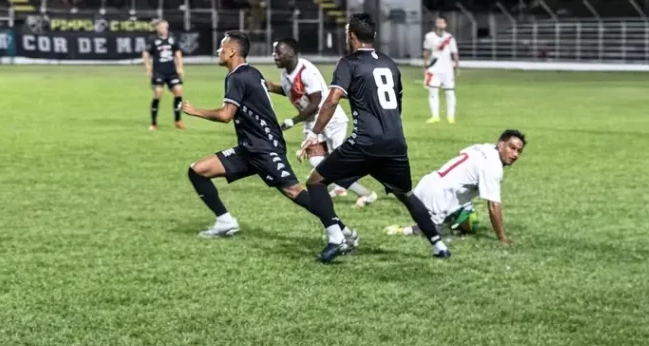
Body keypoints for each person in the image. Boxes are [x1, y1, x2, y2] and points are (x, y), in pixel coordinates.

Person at [180, 31, 359, 251]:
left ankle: (343, 231)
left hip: (265, 148)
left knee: (294, 191)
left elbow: (226, 115)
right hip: (248, 149)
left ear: (232, 51)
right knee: (197, 170)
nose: (219, 50)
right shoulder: (250, 73)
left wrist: (194, 111)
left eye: (222, 46)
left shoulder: (238, 76)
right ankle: (225, 221)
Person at [301, 13, 451, 263]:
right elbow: (396, 106)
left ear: (351, 36)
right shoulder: (390, 64)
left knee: (315, 182)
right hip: (394, 143)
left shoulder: (348, 63)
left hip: (364, 143)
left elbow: (332, 100)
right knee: (406, 195)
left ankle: (337, 238)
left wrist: (314, 134)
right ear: (375, 36)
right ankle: (439, 245)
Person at [265, 37, 378, 208]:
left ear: (291, 53)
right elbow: (294, 93)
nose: (275, 56)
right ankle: (341, 187)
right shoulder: (286, 74)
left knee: (335, 165)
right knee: (317, 161)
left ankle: (367, 193)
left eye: (278, 53)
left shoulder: (305, 70)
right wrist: (273, 87)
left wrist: (293, 120)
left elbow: (316, 102)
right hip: (313, 122)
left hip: (330, 119)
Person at [384, 130, 526, 244]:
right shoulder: (493, 167)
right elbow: (493, 206)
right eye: (512, 148)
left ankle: (448, 219)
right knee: (432, 232)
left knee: (470, 223)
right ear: (501, 144)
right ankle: (402, 231)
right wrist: (502, 238)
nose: (515, 154)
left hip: (429, 182)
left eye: (519, 151)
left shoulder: (485, 148)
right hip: (438, 196)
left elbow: (461, 153)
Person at [142, 19, 185, 130]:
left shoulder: (172, 39)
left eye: (166, 27)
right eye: (162, 27)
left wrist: (180, 67)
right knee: (158, 93)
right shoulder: (152, 40)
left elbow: (178, 52)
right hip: (158, 72)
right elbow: (146, 54)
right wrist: (147, 67)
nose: (165, 29)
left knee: (178, 91)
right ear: (158, 28)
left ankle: (178, 120)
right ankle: (153, 123)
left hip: (171, 72)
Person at [422, 15, 459, 123]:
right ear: (436, 24)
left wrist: (456, 65)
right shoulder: (429, 36)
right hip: (434, 68)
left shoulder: (450, 38)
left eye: (442, 22)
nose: (440, 24)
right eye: (438, 22)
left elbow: (454, 52)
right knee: (433, 91)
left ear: (446, 24)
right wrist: (424, 64)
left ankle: (450, 117)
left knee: (450, 92)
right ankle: (435, 116)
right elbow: (426, 51)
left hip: (447, 69)